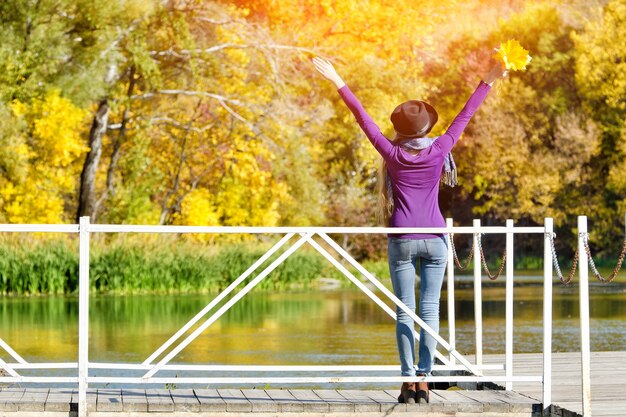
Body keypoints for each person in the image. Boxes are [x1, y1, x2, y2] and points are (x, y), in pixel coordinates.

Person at [313, 56, 507, 404]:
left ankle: (407, 379)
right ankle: (424, 379)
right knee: (429, 309)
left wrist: (338, 79)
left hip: (401, 239)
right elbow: (466, 113)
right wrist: (490, 77)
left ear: (400, 130)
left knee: (405, 309)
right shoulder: (439, 149)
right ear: (426, 129)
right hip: (434, 240)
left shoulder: (391, 154)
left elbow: (363, 118)